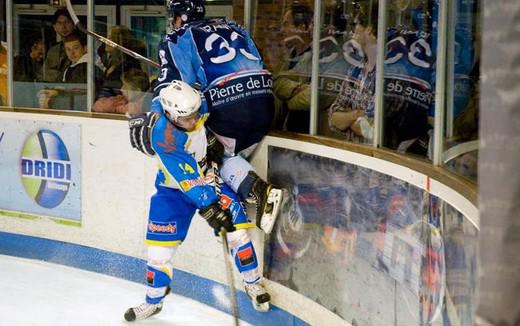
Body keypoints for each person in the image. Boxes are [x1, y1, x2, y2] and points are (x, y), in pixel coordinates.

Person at [128, 0, 283, 234]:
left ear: (178, 17)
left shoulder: (177, 36)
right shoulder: (234, 27)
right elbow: (254, 65)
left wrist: (155, 118)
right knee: (226, 152)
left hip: (229, 105)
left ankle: (252, 196)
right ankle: (257, 190)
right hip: (265, 101)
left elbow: (172, 87)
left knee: (209, 151)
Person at [124, 81, 271, 322]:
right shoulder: (164, 136)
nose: (193, 121)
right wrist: (211, 209)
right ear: (170, 115)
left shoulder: (196, 103)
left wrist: (211, 142)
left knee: (238, 235)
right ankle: (153, 301)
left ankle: (253, 284)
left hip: (208, 177)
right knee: (158, 253)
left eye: (195, 115)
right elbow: (188, 180)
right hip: (174, 190)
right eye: (187, 119)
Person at [42, 8, 75, 82]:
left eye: (67, 22)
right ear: (55, 27)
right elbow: (44, 74)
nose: (63, 27)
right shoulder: (53, 50)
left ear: (74, 24)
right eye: (59, 23)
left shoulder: (83, 47)